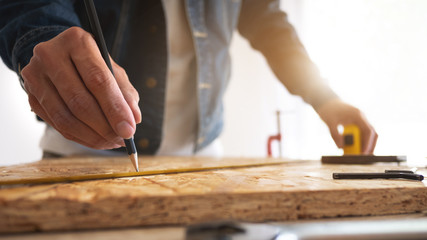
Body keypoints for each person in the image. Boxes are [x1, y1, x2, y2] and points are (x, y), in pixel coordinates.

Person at [0, 0, 377, 157]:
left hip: (203, 157)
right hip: (81, 156)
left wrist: (324, 98)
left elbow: (268, 22)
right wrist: (41, 39)